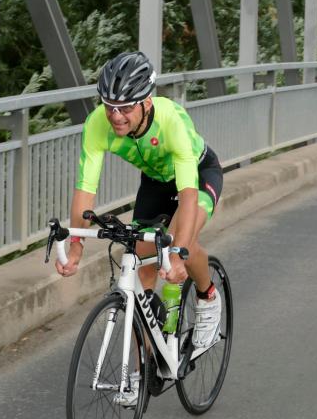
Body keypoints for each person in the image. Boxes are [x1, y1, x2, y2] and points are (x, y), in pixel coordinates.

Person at [56, 50, 223, 352]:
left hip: (197, 175)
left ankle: (207, 296)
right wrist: (76, 247)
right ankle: (141, 368)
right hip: (155, 182)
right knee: (140, 268)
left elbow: (187, 196)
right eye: (109, 106)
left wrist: (177, 254)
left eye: (125, 107)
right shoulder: (97, 124)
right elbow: (85, 190)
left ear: (146, 102)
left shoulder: (171, 120)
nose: (115, 116)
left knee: (181, 242)